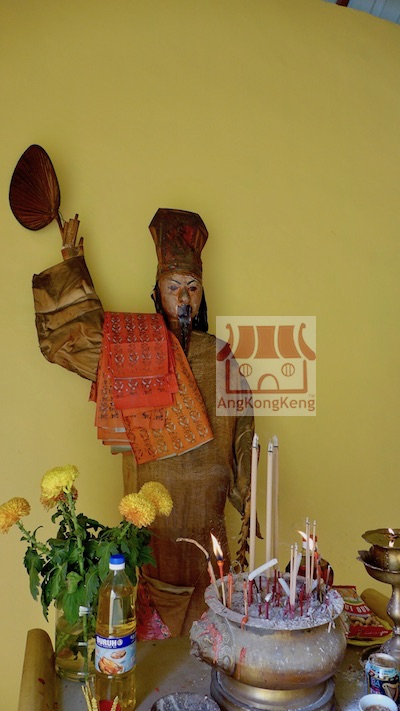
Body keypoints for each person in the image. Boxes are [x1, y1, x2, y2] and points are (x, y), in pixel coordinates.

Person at [32, 208, 254, 637]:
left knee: (214, 640)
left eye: (193, 287)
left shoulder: (221, 355)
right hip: (149, 527)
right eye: (174, 287)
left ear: (202, 294)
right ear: (157, 292)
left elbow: (245, 432)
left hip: (208, 526)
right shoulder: (133, 344)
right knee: (148, 642)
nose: (184, 298)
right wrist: (71, 264)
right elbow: (76, 340)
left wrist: (250, 496)